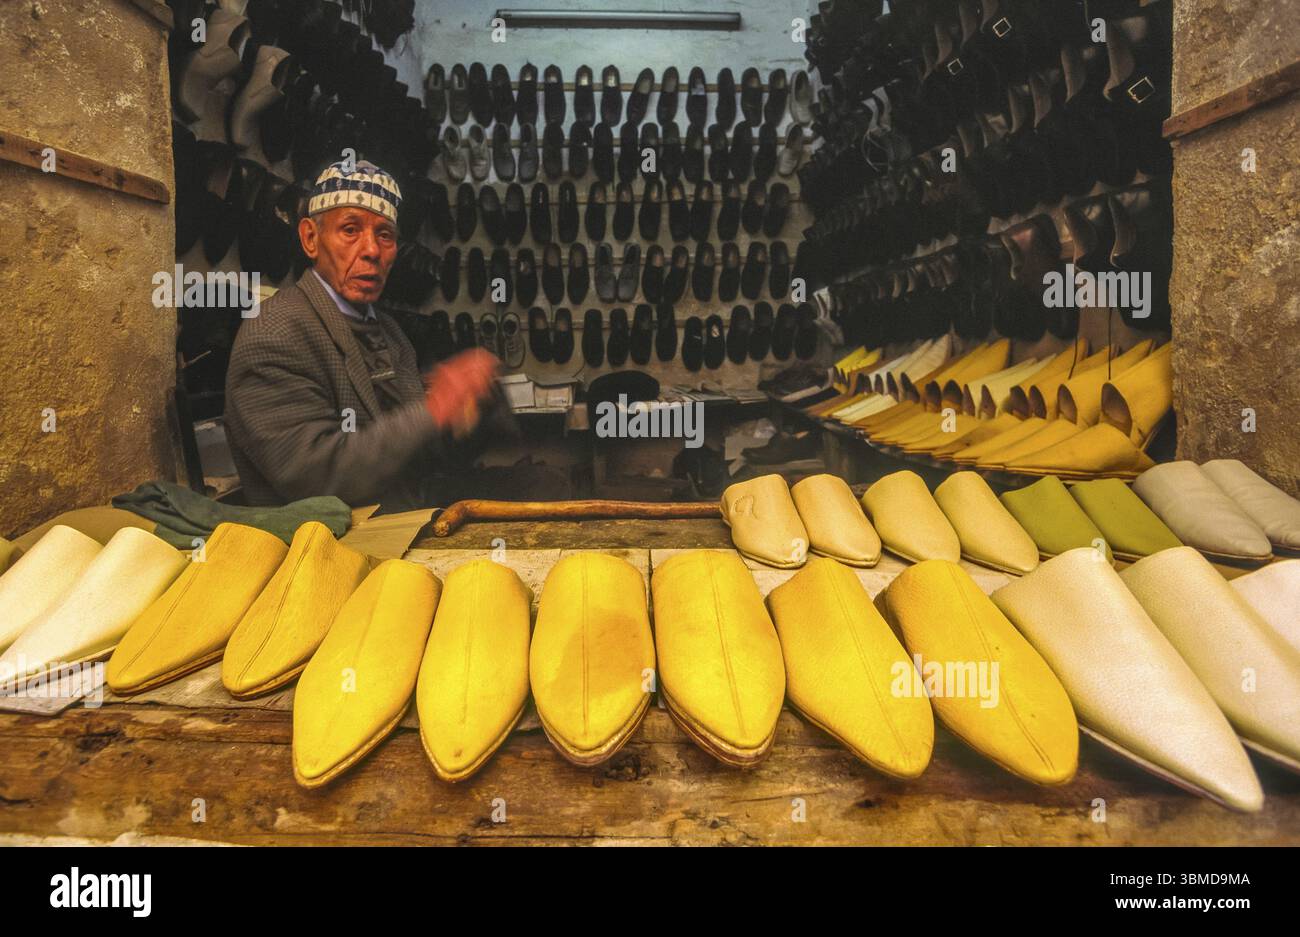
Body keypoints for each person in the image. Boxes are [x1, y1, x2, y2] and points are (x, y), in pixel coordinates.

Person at [224, 159, 500, 508]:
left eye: (385, 235)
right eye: (350, 230)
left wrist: (472, 411)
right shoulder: (275, 333)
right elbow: (318, 478)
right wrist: (436, 406)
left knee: (543, 484)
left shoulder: (389, 331)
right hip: (334, 540)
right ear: (310, 238)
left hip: (405, 510)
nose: (371, 250)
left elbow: (420, 456)